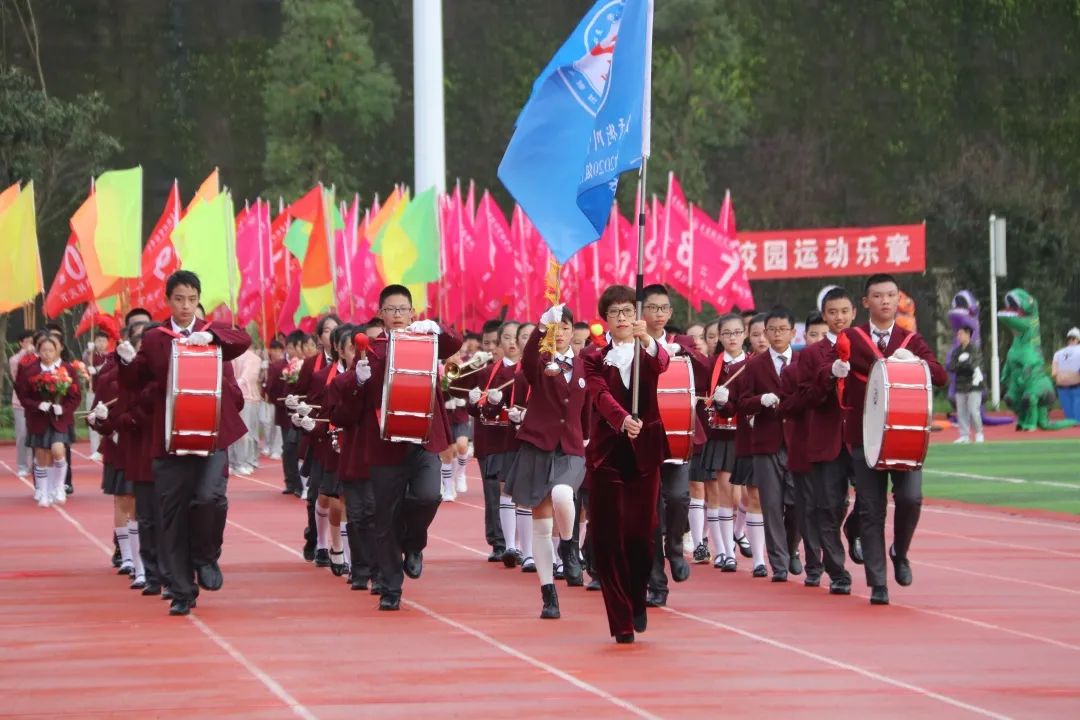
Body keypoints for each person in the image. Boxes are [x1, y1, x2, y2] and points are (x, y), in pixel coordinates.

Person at [116, 270, 252, 616]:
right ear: (168, 301)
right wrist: (125, 360)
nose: (186, 306)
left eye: (192, 299)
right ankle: (181, 590)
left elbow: (242, 339)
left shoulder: (212, 332)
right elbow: (135, 381)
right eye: (179, 299)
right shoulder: (156, 339)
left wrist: (212, 338)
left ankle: (205, 556)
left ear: (198, 300)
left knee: (210, 497)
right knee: (172, 515)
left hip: (211, 434)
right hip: (171, 437)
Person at [832, 274, 946, 605]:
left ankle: (900, 551)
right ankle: (878, 583)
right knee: (871, 509)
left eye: (891, 295)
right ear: (865, 302)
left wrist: (919, 363)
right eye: (878, 296)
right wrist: (835, 370)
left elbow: (940, 376)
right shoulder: (851, 338)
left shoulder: (910, 340)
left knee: (910, 498)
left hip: (905, 437)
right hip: (864, 436)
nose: (885, 301)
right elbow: (833, 370)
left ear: (899, 300)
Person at [353, 285, 463, 610]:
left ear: (413, 313)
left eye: (403, 309)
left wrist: (437, 329)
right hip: (386, 443)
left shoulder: (427, 340)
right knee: (384, 519)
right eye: (391, 309)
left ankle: (414, 543)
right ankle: (390, 589)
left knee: (429, 496)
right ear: (381, 314)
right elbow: (353, 397)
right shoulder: (373, 350)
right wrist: (357, 379)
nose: (398, 315)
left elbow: (454, 343)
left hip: (423, 438)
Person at [583, 284, 670, 643]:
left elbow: (661, 364)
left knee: (641, 535)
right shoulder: (593, 357)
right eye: (615, 312)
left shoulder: (648, 349)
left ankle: (638, 596)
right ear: (605, 318)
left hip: (645, 454)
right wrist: (621, 420)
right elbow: (599, 394)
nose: (622, 318)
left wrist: (646, 339)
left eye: (627, 311)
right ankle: (620, 621)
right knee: (608, 538)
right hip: (607, 455)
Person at [502, 304, 589, 618]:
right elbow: (527, 359)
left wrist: (588, 437)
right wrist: (541, 327)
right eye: (556, 328)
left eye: (565, 328)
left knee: (564, 495)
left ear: (573, 331)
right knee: (541, 525)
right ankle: (548, 593)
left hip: (572, 447)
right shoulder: (540, 363)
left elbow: (588, 406)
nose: (561, 333)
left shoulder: (584, 366)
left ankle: (568, 545)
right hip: (539, 447)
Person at [794, 287, 860, 595]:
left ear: (854, 313)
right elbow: (805, 397)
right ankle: (838, 573)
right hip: (826, 439)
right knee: (828, 507)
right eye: (833, 312)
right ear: (824, 315)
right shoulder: (811, 354)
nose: (839, 318)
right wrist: (829, 375)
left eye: (844, 311)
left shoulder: (864, 346)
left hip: (860, 438)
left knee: (869, 502)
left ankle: (854, 528)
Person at [638, 285, 700, 607]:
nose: (659, 314)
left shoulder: (682, 344)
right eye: (652, 308)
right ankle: (656, 584)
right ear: (641, 311)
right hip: (642, 440)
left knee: (677, 497)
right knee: (648, 513)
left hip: (677, 437)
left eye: (664, 308)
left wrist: (683, 353)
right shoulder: (629, 347)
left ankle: (675, 547)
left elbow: (703, 369)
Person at [734, 306, 802, 582]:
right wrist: (760, 401)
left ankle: (791, 548)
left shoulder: (803, 361)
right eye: (771, 330)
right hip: (765, 442)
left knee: (797, 503)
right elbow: (742, 402)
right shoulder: (755, 365)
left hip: (797, 442)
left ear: (792, 332)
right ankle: (779, 564)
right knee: (771, 505)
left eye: (782, 329)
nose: (776, 335)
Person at [16, 333, 81, 507]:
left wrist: (64, 408)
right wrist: (37, 405)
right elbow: (23, 396)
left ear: (58, 350)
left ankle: (59, 486)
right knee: (42, 456)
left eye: (51, 350)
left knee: (58, 451)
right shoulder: (30, 370)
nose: (47, 353)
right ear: (38, 351)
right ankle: (43, 491)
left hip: (60, 419)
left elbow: (75, 396)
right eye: (44, 350)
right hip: (38, 418)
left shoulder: (67, 369)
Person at [947, 326, 985, 443]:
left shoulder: (974, 349)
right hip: (960, 385)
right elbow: (952, 367)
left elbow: (974, 364)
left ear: (968, 334)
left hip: (974, 384)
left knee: (974, 410)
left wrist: (963, 364)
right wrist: (962, 363)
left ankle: (979, 433)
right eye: (958, 334)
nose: (959, 337)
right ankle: (964, 435)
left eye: (961, 334)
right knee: (961, 412)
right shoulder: (957, 351)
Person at [230, 345, 263, 475]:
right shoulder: (232, 356)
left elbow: (248, 376)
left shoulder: (252, 358)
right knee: (240, 432)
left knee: (243, 432)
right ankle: (238, 462)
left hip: (244, 397)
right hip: (240, 397)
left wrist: (236, 383)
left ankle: (243, 461)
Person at [9, 330, 35, 478]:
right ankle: (22, 465)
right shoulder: (15, 359)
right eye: (27, 341)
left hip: (36, 401)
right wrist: (25, 353)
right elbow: (16, 376)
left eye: (32, 341)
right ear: (21, 343)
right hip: (19, 402)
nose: (30, 344)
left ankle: (34, 464)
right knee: (22, 434)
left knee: (34, 433)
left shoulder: (38, 357)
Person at [1052, 327, 1080, 421]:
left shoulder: (1058, 353)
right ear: (1078, 340)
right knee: (1078, 419)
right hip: (1077, 387)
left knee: (1070, 419)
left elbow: (1054, 373)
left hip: (1061, 387)